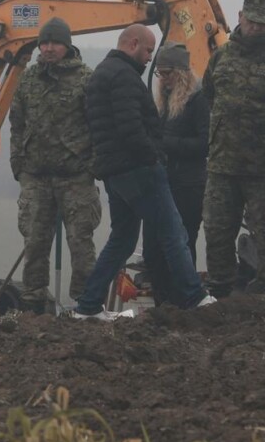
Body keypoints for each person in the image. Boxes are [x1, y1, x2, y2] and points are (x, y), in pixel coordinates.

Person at [71, 25, 214, 319]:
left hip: (113, 171)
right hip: (139, 168)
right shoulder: (124, 77)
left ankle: (88, 306)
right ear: (133, 43)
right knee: (173, 232)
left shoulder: (100, 73)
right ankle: (195, 296)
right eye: (148, 51)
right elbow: (131, 129)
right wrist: (154, 156)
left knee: (122, 239)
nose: (150, 59)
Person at [201, 0, 265, 299]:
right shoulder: (222, 56)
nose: (255, 28)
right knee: (217, 229)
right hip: (222, 164)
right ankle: (220, 292)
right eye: (250, 21)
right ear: (240, 16)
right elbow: (209, 93)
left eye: (261, 23)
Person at [9, 17, 101, 312]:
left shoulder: (87, 78)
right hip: (36, 175)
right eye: (44, 43)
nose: (48, 48)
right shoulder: (29, 78)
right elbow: (17, 122)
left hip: (75, 176)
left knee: (80, 242)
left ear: (67, 45)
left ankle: (85, 302)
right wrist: (18, 164)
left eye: (55, 43)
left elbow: (99, 126)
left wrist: (93, 166)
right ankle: (33, 299)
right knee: (34, 241)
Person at [150, 43, 209, 266]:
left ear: (181, 73)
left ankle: (185, 294)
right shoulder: (163, 100)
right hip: (167, 181)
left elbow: (204, 144)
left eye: (167, 73)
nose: (163, 78)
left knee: (184, 240)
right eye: (160, 73)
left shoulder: (198, 100)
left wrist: (168, 144)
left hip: (189, 184)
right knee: (161, 243)